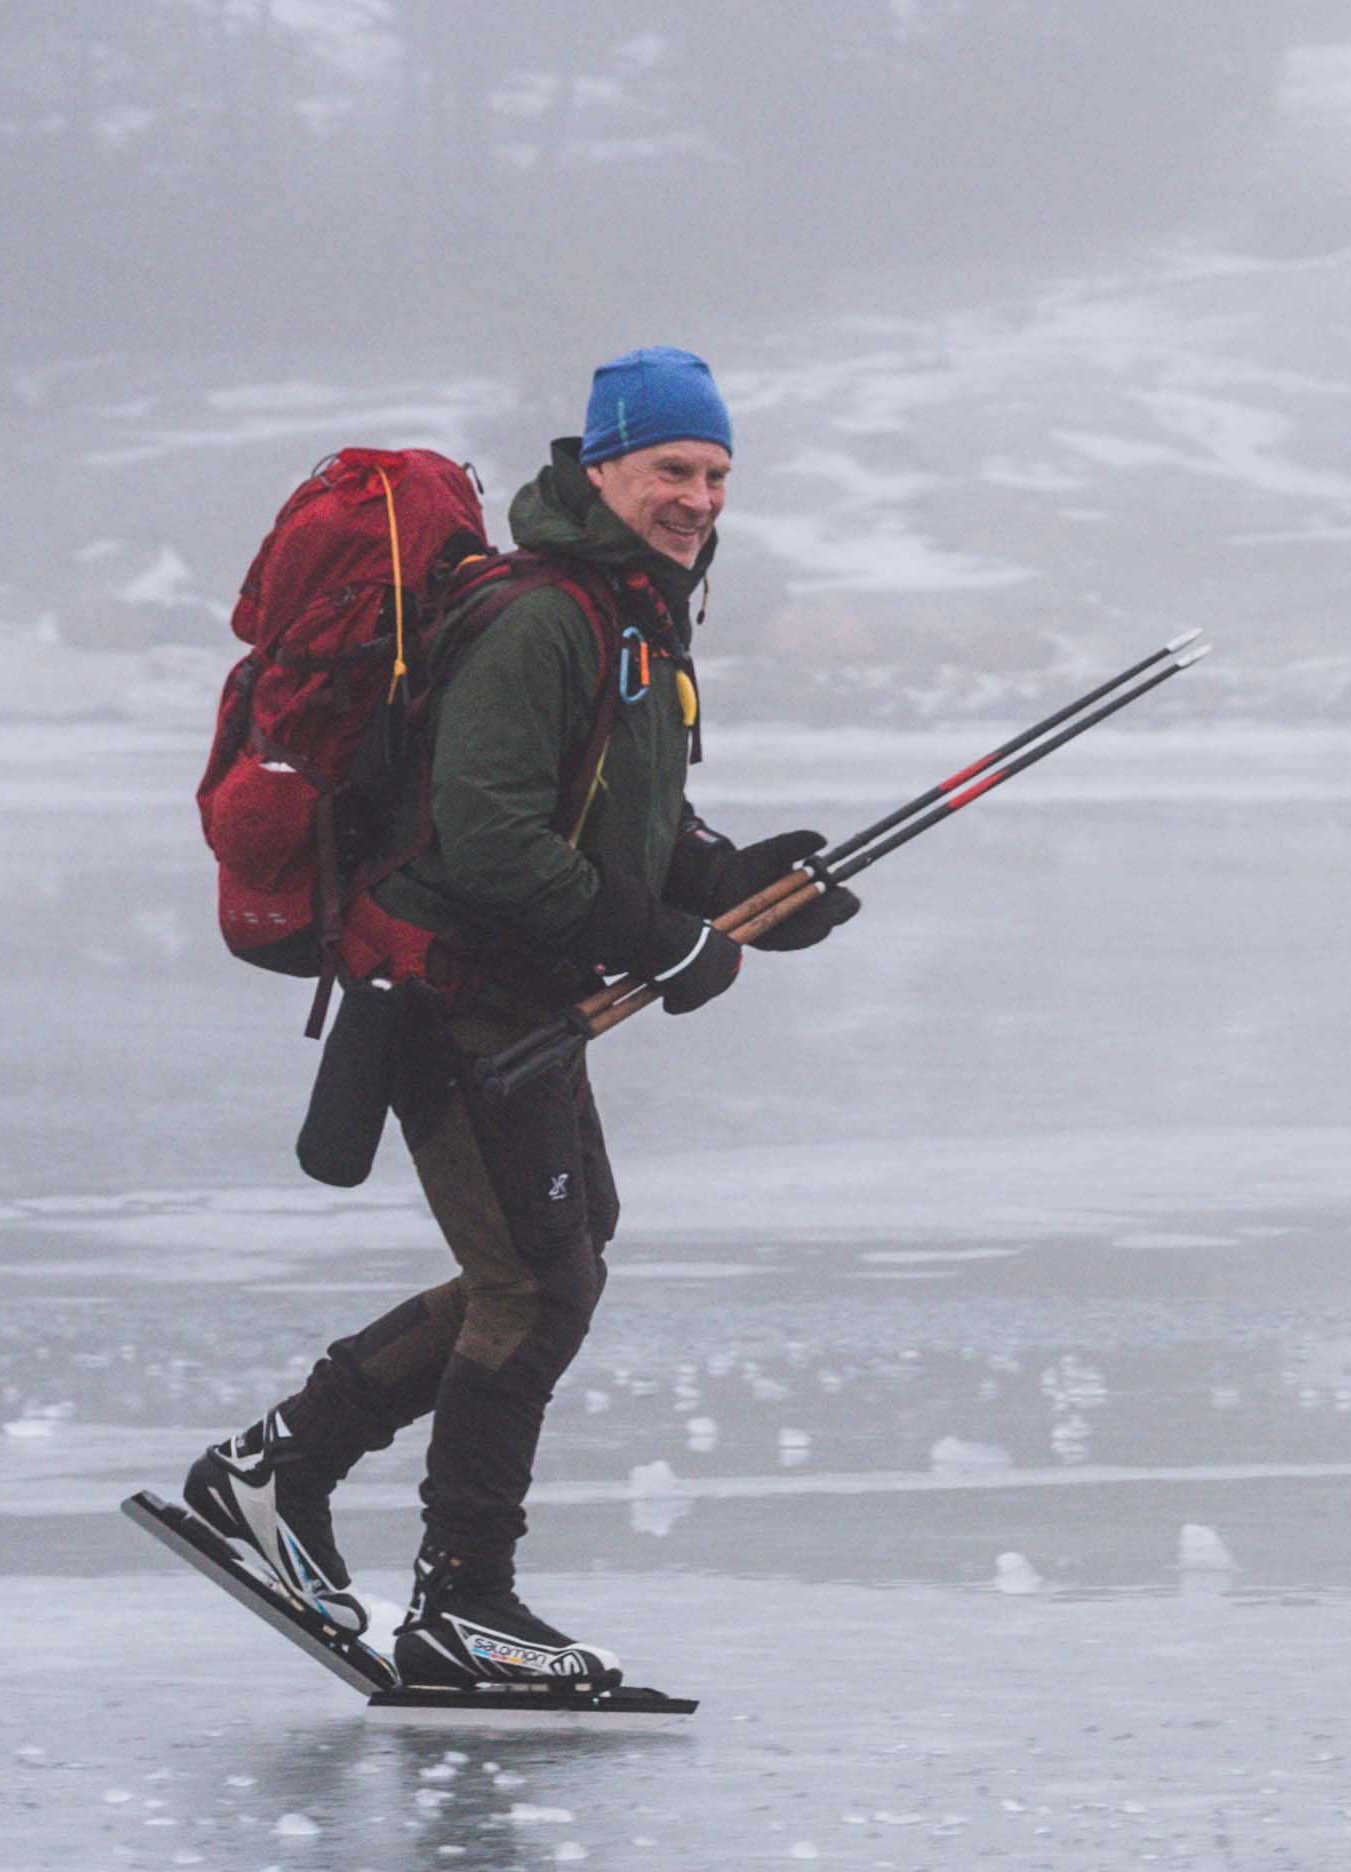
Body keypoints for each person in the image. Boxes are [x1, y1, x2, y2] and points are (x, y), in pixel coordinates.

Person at [176, 346, 858, 1692]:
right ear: (600, 464)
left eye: (717, 474)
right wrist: (665, 940)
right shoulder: (546, 616)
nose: (699, 498)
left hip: (511, 990)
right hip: (451, 992)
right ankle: (460, 1600)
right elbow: (489, 841)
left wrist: (738, 884)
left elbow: (620, 826)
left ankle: (275, 1472)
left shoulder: (629, 614)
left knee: (559, 1259)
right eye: (673, 468)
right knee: (540, 1285)